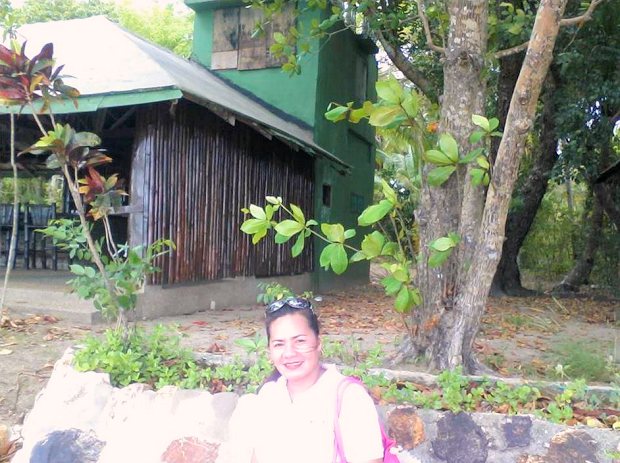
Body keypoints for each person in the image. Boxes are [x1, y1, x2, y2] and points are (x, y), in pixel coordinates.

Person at [249, 296, 384, 463]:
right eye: (279, 344)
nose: (289, 353)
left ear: (319, 343)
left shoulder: (349, 397)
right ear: (269, 349)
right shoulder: (269, 394)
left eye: (300, 341)